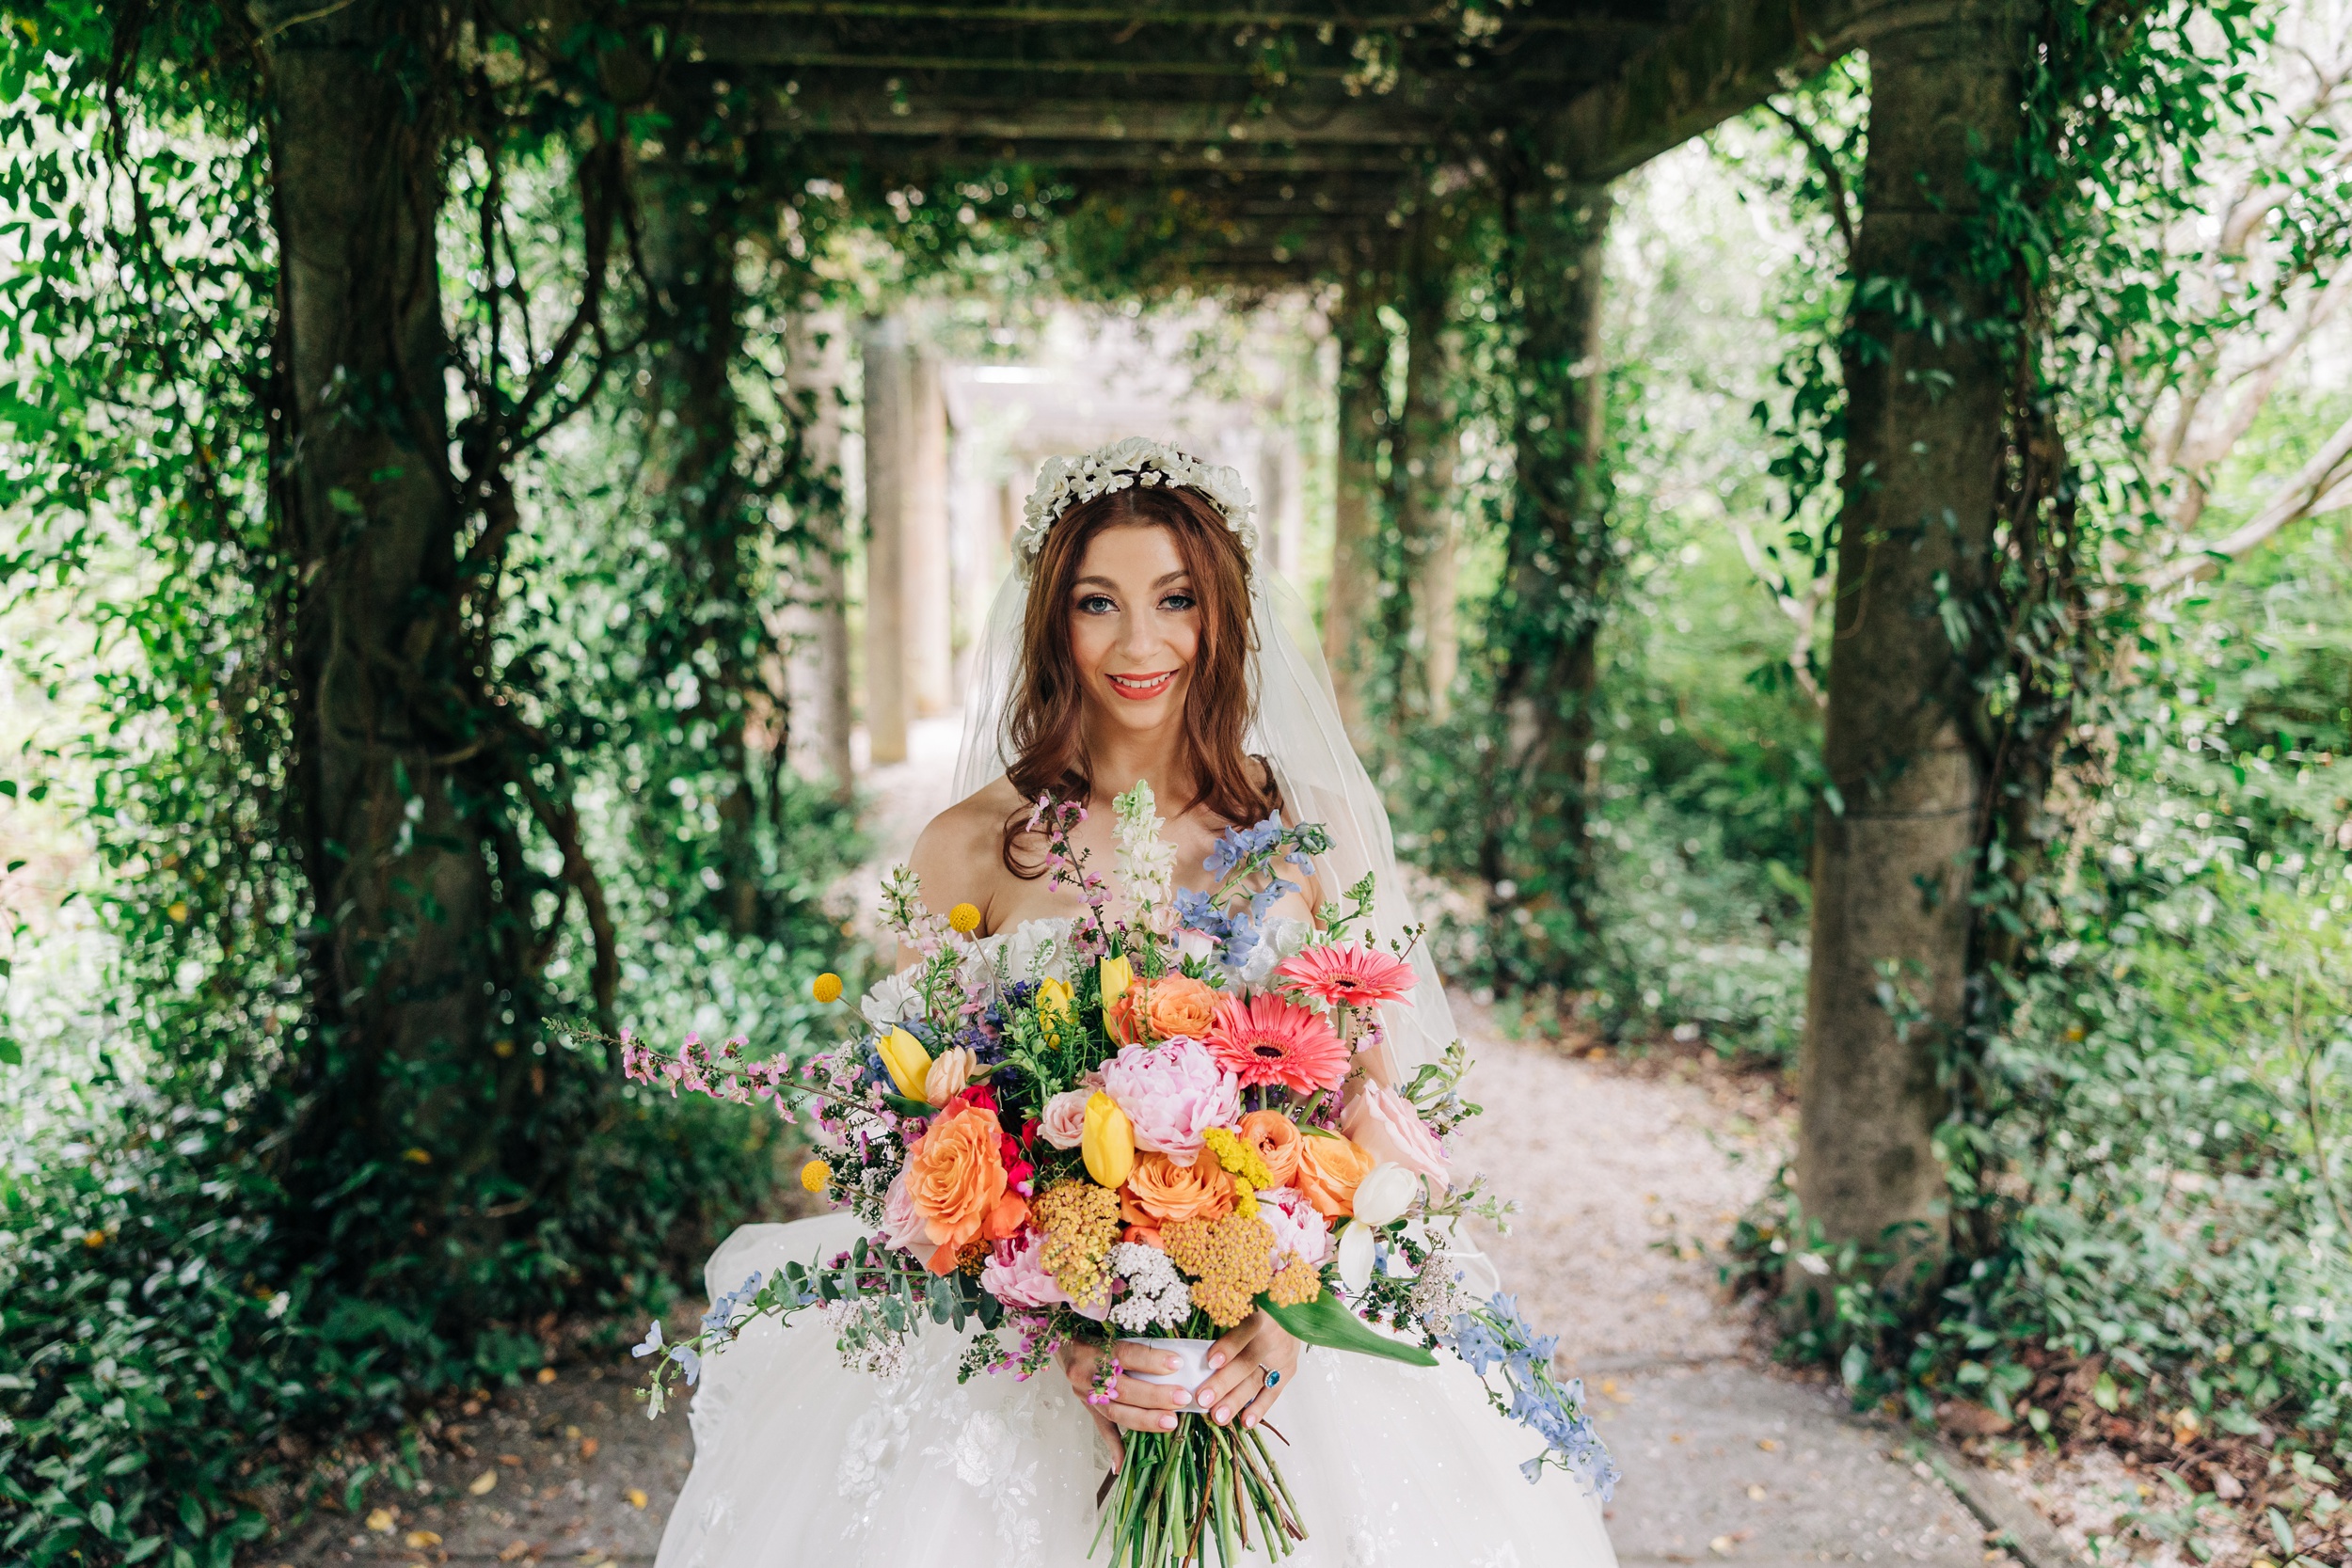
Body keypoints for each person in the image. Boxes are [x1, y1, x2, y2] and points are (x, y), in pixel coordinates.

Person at [653, 439, 1617, 1567]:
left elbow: (1377, 1106)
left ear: (1222, 618)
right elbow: (918, 1144)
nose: (1139, 642)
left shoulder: (1305, 836)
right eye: (1096, 602)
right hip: (1032, 1353)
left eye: (1176, 600)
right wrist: (1051, 1317)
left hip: (1266, 1348)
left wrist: (1293, 1309)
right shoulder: (967, 848)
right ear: (1050, 621)